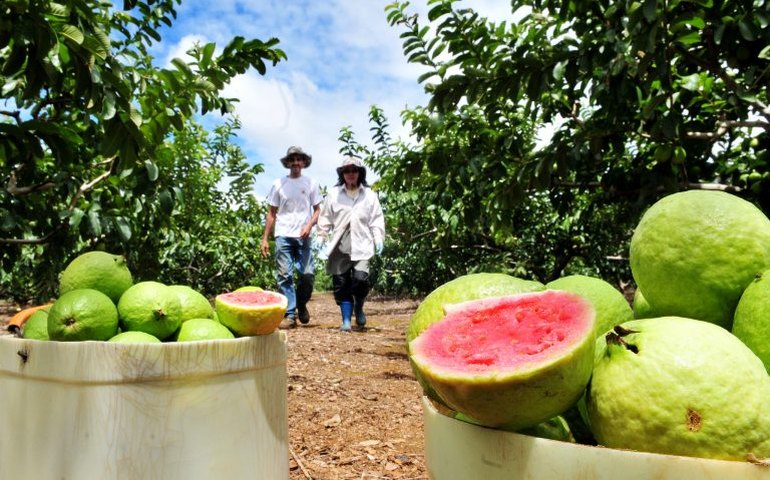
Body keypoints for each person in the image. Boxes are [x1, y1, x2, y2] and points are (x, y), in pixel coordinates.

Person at [317, 156, 385, 332]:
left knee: (361, 280)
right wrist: (321, 237)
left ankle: (359, 306)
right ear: (342, 174)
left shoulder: (369, 196)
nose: (350, 174)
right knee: (341, 283)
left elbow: (376, 220)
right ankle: (346, 320)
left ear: (360, 173)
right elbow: (325, 218)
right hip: (340, 244)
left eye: (354, 170)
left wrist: (378, 239)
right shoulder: (333, 194)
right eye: (346, 170)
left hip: (362, 242)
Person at [261, 146, 323, 328]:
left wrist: (309, 225)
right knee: (284, 275)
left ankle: (301, 303)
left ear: (304, 162)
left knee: (307, 275)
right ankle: (290, 314)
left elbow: (318, 209)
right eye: (292, 159)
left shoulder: (311, 183)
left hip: (303, 236)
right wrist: (265, 238)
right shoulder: (278, 184)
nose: (296, 162)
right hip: (283, 234)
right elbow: (271, 212)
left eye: (299, 159)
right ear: (287, 162)